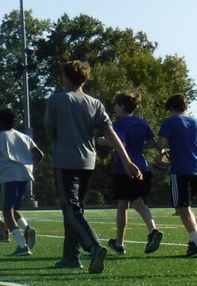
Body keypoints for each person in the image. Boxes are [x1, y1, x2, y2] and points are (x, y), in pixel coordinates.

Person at [43, 60, 141, 273]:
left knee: (70, 209)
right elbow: (110, 133)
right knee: (76, 209)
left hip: (65, 160)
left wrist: (56, 142)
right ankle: (71, 256)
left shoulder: (57, 99)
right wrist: (127, 160)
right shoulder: (95, 103)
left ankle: (94, 246)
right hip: (88, 162)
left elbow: (49, 128)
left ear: (66, 77)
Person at [98, 90, 163, 255]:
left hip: (125, 168)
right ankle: (128, 239)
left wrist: (104, 141)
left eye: (116, 105)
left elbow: (121, 144)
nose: (114, 108)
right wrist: (138, 146)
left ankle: (142, 234)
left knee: (128, 204)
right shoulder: (142, 122)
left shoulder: (119, 124)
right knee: (131, 202)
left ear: (121, 106)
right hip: (143, 166)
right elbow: (150, 143)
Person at [0, 108, 43, 257]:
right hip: (24, 176)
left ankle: (22, 245)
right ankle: (27, 228)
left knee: (6, 211)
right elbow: (39, 154)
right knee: (13, 208)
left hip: (9, 176)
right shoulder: (23, 136)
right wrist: (33, 168)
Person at [157, 93, 197, 257]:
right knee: (186, 207)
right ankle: (194, 243)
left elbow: (161, 143)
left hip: (180, 170)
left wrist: (164, 152)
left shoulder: (170, 121)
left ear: (171, 108)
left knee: (182, 208)